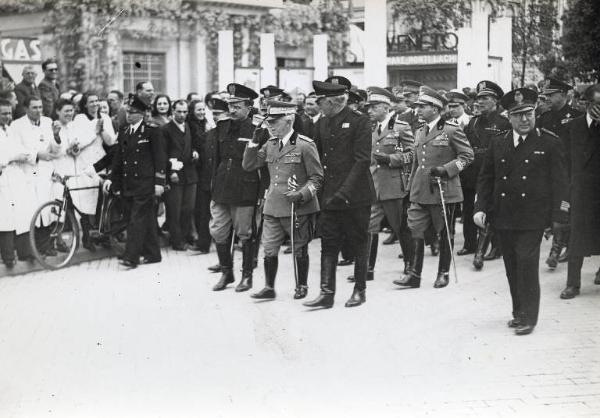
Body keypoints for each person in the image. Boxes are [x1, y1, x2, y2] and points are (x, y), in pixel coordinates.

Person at [474, 87, 569, 335]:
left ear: (535, 112)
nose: (525, 120)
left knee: (526, 264)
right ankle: (518, 312)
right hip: (503, 216)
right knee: (511, 267)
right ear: (509, 117)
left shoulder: (549, 142)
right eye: (518, 115)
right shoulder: (499, 142)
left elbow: (561, 183)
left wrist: (560, 216)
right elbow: (486, 179)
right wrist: (480, 208)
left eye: (529, 113)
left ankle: (529, 316)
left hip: (533, 218)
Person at [303, 79, 375, 309]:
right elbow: (318, 158)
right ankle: (327, 293)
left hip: (355, 196)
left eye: (320, 101)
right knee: (329, 242)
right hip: (329, 195)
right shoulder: (322, 123)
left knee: (358, 242)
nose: (318, 106)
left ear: (333, 102)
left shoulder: (359, 122)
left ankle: (359, 290)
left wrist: (344, 192)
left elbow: (362, 160)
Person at [242, 100, 323, 299]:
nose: (270, 125)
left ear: (289, 120)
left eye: (275, 122)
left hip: (297, 206)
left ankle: (301, 285)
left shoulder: (305, 145)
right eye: (268, 122)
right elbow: (249, 165)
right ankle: (269, 287)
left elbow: (317, 178)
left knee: (299, 247)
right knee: (269, 248)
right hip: (273, 206)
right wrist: (253, 141)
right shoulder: (270, 144)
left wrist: (303, 194)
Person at [394, 87, 473, 289]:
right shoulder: (419, 130)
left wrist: (446, 169)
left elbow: (467, 157)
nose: (418, 109)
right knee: (416, 231)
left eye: (423, 106)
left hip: (443, 189)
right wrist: (410, 187)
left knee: (444, 232)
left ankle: (443, 272)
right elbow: (416, 163)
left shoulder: (451, 130)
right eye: (418, 106)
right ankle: (414, 274)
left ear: (436, 108)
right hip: (420, 189)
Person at [350, 86, 414, 282]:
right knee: (369, 227)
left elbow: (412, 154)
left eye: (374, 107)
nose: (369, 111)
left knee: (400, 227)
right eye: (368, 107)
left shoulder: (400, 127)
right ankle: (367, 269)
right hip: (373, 185)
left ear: (386, 107)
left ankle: (410, 266)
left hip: (393, 186)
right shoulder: (369, 128)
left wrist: (390, 159)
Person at [103, 94, 167, 269]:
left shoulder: (152, 131)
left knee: (136, 220)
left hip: (146, 184)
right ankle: (153, 254)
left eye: (132, 112)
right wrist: (110, 178)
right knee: (146, 219)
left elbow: (160, 158)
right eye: (127, 112)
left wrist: (159, 182)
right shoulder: (125, 131)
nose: (128, 115)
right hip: (128, 183)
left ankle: (131, 256)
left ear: (141, 113)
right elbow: (118, 159)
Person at [209, 83, 261, 292]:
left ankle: (246, 276)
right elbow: (215, 158)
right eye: (230, 105)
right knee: (219, 230)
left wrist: (260, 192)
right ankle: (226, 272)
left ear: (249, 107)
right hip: (222, 187)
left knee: (245, 233)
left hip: (245, 188)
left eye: (237, 106)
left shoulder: (257, 129)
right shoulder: (221, 127)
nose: (232, 110)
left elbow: (260, 161)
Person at [461, 81, 511, 267]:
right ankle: (470, 243)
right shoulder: (473, 122)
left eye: (485, 98)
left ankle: (496, 246)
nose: (480, 102)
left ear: (496, 101)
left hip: (493, 172)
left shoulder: (503, 123)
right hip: (472, 171)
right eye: (478, 98)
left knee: (492, 209)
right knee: (468, 209)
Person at [537, 78, 583, 269]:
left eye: (551, 95)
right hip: (548, 174)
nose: (546, 98)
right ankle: (560, 246)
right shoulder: (544, 118)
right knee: (553, 209)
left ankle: (559, 249)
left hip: (570, 173)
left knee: (565, 209)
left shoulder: (577, 116)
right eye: (545, 95)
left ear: (563, 95)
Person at [559, 85, 600, 299]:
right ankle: (572, 284)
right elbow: (564, 161)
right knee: (577, 237)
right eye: (596, 105)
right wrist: (565, 193)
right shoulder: (572, 127)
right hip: (581, 190)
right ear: (586, 104)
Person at [11, 96, 61, 256]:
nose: (39, 111)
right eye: (34, 108)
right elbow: (16, 150)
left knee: (47, 210)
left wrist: (57, 136)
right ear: (26, 109)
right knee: (31, 212)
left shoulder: (47, 122)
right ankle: (31, 249)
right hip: (26, 174)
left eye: (40, 107)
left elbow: (55, 149)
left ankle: (46, 246)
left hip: (45, 174)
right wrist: (37, 155)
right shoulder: (16, 125)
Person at [71, 92, 117, 250]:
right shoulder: (79, 119)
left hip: (100, 161)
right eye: (91, 102)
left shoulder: (105, 117)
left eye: (97, 101)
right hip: (84, 161)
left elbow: (110, 141)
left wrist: (102, 130)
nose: (95, 104)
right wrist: (94, 132)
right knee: (85, 199)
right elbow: (77, 144)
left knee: (101, 198)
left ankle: (102, 234)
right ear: (85, 104)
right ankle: (87, 236)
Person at [0, 99, 36, 267]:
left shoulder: (10, 130)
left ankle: (25, 253)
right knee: (5, 218)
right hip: (3, 178)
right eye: (3, 113)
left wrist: (24, 155)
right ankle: (8, 257)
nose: (7, 116)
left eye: (9, 113)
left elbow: (19, 148)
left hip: (15, 177)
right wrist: (13, 157)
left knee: (22, 214)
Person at [162, 100, 199, 250]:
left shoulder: (188, 127)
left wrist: (195, 152)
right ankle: (176, 241)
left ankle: (186, 237)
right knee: (174, 209)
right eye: (179, 112)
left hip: (189, 174)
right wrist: (171, 172)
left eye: (185, 112)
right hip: (175, 174)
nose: (182, 115)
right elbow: (162, 153)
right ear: (173, 112)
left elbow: (192, 144)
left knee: (188, 208)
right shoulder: (165, 129)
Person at [187, 99, 211, 253]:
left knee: (204, 210)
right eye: (198, 110)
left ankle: (203, 243)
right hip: (196, 171)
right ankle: (201, 242)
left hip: (206, 172)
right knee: (199, 210)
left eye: (203, 109)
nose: (201, 112)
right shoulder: (190, 125)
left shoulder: (206, 124)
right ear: (192, 111)